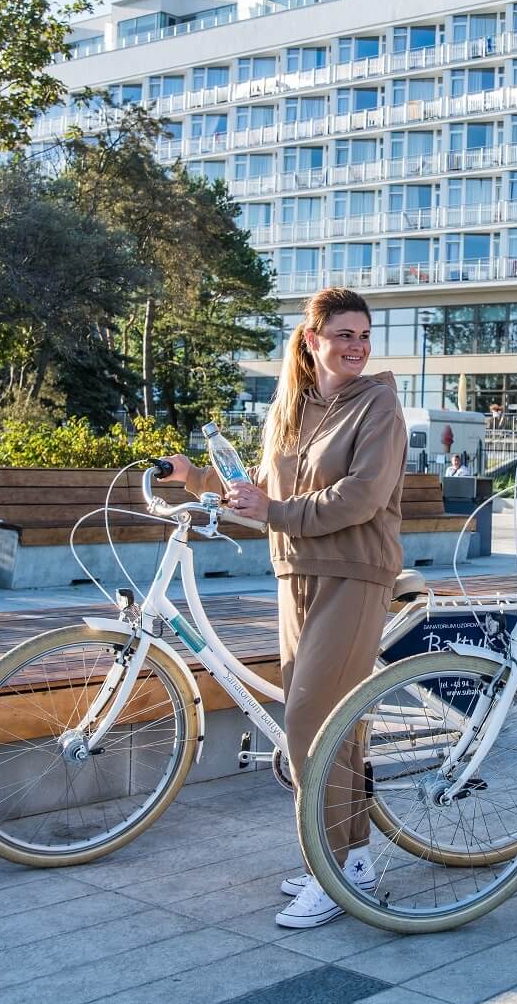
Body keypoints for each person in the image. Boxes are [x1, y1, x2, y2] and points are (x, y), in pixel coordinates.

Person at [161, 288, 405, 929]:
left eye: (363, 334)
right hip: (295, 573)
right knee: (335, 726)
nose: (356, 346)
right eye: (343, 335)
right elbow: (259, 497)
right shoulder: (291, 409)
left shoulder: (380, 405)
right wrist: (197, 480)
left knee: (306, 723)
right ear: (311, 341)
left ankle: (330, 869)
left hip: (355, 573)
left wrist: (277, 513)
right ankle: (350, 864)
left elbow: (361, 496)